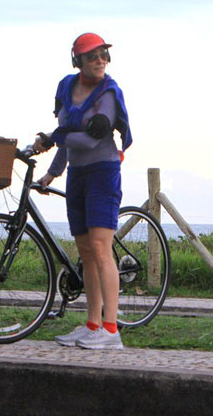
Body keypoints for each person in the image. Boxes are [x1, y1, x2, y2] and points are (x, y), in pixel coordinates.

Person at [32, 32, 132, 349]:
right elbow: (68, 136)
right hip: (77, 174)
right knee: (86, 253)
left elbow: (88, 138)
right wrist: (51, 172)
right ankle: (92, 324)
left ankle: (111, 330)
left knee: (101, 250)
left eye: (103, 55)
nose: (99, 60)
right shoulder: (67, 87)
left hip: (103, 171)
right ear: (78, 61)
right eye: (92, 56)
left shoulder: (109, 93)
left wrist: (52, 137)